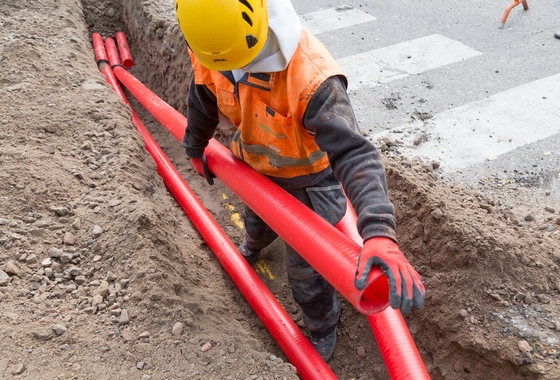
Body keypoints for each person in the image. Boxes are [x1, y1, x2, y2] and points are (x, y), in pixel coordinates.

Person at [175, 0, 426, 362]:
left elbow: (355, 153)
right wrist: (195, 145)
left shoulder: (311, 78)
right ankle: (255, 243)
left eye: (238, 63)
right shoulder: (211, 43)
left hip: (310, 184)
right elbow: (201, 97)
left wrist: (378, 232)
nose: (230, 71)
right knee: (255, 222)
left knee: (306, 270)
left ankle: (322, 324)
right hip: (256, 169)